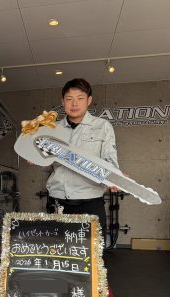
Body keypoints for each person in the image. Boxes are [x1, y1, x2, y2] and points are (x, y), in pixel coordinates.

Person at [45, 78, 119, 236]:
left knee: (92, 250)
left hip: (90, 203)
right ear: (63, 102)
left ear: (89, 100)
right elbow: (46, 163)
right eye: (69, 99)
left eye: (80, 98)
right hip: (58, 201)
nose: (74, 104)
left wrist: (115, 177)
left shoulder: (102, 126)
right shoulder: (53, 129)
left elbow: (110, 160)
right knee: (58, 249)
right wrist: (34, 156)